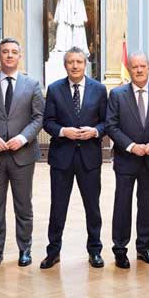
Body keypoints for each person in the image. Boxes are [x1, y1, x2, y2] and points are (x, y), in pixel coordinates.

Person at [0, 38, 44, 268]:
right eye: (5, 51)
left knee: (23, 206)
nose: (10, 55)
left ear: (20, 56)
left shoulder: (32, 84)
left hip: (23, 155)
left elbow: (39, 117)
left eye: (14, 52)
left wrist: (22, 138)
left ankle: (25, 250)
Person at [105, 52, 149, 268]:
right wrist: (131, 146)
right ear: (130, 69)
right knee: (122, 205)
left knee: (146, 205)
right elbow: (111, 126)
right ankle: (120, 249)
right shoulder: (117, 95)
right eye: (135, 66)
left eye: (142, 66)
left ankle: (143, 248)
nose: (139, 70)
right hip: (126, 160)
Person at [41, 47, 108, 269]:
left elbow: (107, 122)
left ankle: (95, 251)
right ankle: (53, 252)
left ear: (85, 64)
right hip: (62, 157)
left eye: (79, 61)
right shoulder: (54, 89)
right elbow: (48, 122)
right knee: (58, 207)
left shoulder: (99, 89)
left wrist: (95, 131)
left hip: (89, 157)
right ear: (65, 65)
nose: (75, 66)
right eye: (71, 62)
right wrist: (63, 131)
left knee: (92, 208)